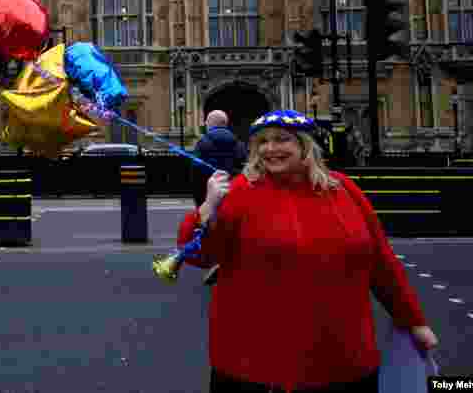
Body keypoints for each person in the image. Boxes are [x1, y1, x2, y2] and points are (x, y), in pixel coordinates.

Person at [176, 109, 438, 393]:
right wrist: (206, 209)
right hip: (258, 367)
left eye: (282, 140)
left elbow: (381, 264)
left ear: (305, 145)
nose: (270, 149)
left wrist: (413, 321)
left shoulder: (345, 190)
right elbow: (197, 255)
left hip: (345, 359)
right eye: (262, 142)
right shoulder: (240, 192)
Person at [192, 110, 247, 287]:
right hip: (233, 189)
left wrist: (201, 197)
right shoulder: (238, 143)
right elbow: (244, 165)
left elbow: (195, 168)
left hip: (210, 191)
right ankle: (233, 259)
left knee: (211, 226)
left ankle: (216, 260)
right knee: (234, 225)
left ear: (209, 123)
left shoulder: (203, 142)